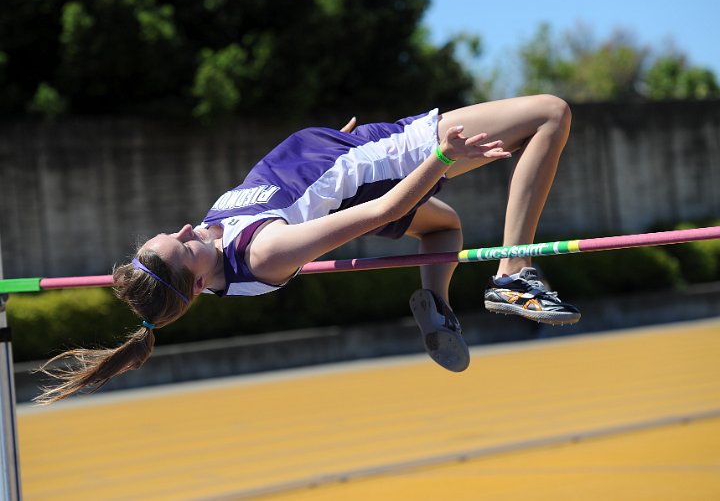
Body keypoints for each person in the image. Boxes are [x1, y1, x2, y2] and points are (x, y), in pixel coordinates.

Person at [35, 95, 580, 404]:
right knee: (551, 114)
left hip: (351, 153)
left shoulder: (210, 242)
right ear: (200, 285)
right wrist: (436, 157)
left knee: (445, 232)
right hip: (392, 161)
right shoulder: (261, 254)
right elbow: (378, 213)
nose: (184, 230)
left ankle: (435, 305)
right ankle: (513, 273)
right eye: (182, 247)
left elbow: (282, 182)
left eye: (170, 234)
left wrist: (327, 144)